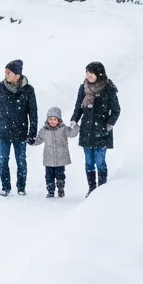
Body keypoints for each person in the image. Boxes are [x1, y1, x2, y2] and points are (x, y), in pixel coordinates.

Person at [0, 59, 39, 196]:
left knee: (21, 160)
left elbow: (33, 112)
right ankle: (5, 187)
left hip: (20, 131)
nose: (6, 74)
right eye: (5, 72)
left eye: (8, 72)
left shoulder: (28, 90)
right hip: (3, 131)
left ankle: (21, 187)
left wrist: (32, 132)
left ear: (17, 74)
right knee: (3, 160)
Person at [70, 60, 121, 195]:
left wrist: (109, 124)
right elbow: (78, 107)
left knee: (100, 162)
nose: (89, 75)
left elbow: (116, 110)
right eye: (87, 72)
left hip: (102, 131)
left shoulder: (108, 89)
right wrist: (74, 120)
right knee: (89, 162)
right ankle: (92, 189)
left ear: (99, 74)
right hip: (87, 130)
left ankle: (101, 191)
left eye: (91, 73)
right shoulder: (83, 88)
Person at [30, 107, 79, 198]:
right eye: (50, 119)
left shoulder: (63, 129)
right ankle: (50, 191)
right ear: (47, 120)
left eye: (54, 119)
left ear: (59, 120)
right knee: (49, 176)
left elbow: (72, 134)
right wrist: (31, 141)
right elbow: (38, 140)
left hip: (61, 158)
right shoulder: (44, 131)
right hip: (49, 159)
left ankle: (61, 190)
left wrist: (75, 126)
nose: (52, 121)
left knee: (60, 175)